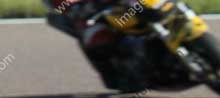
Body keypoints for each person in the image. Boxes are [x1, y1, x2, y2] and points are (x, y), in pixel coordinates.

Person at [46, 0, 175, 92]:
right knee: (95, 35)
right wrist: (78, 8)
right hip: (97, 11)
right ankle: (113, 72)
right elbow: (63, 6)